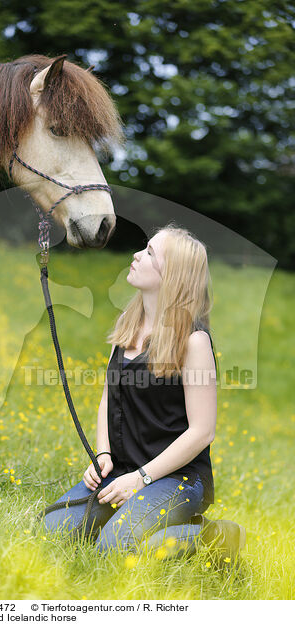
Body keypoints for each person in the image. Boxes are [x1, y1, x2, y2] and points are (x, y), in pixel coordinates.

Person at [42, 222, 246, 566]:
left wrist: (140, 479)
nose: (136, 255)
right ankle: (147, 521)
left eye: (150, 253)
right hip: (123, 468)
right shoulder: (128, 322)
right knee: (54, 531)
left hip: (177, 478)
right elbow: (109, 397)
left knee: (114, 547)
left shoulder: (194, 341)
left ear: (173, 276)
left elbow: (202, 431)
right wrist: (103, 454)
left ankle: (214, 535)